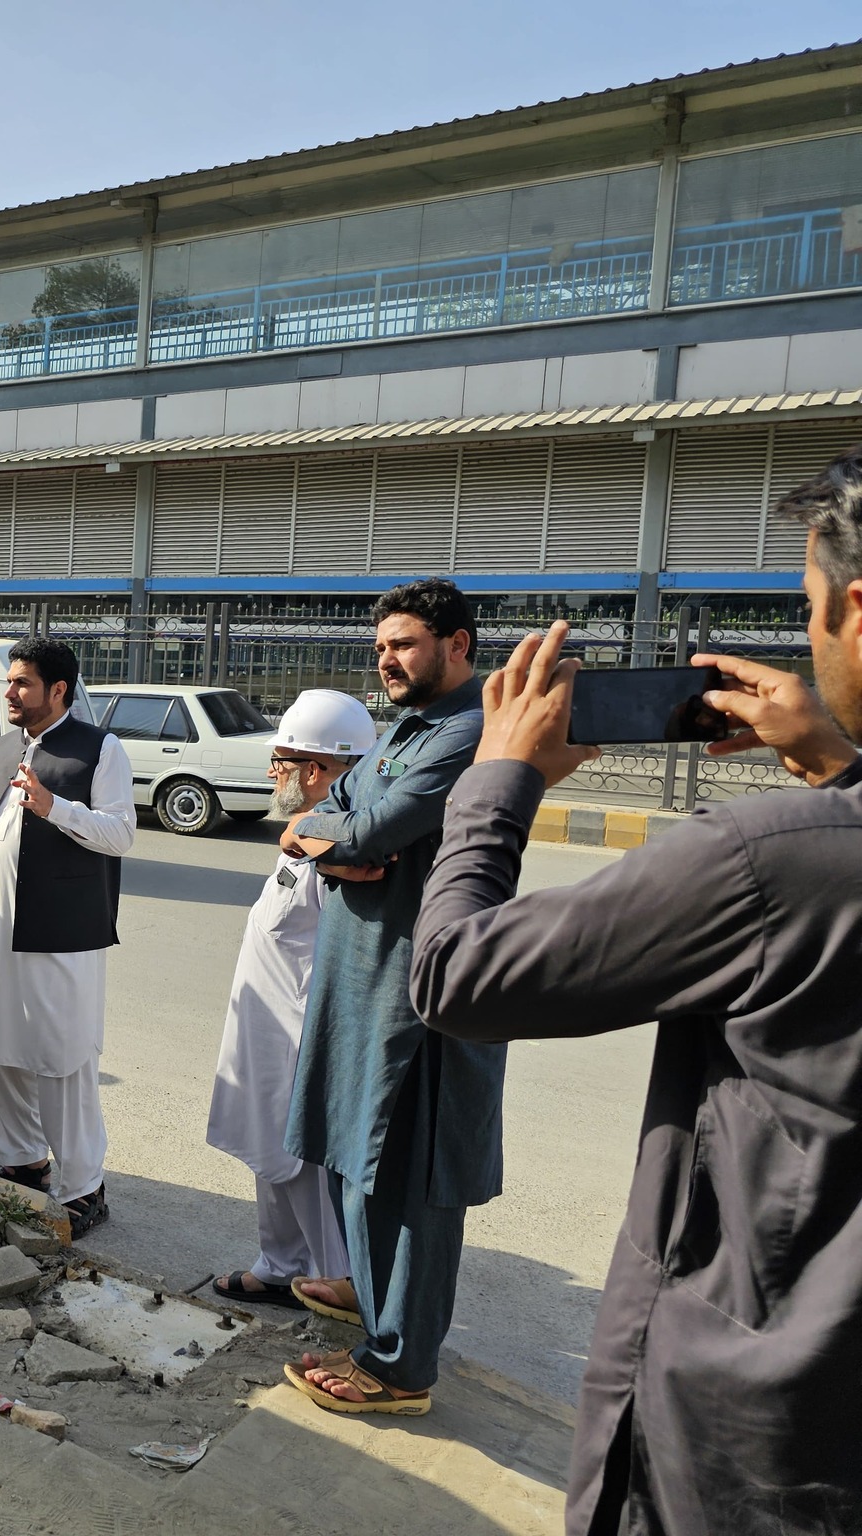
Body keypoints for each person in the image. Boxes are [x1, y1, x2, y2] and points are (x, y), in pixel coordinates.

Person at [410, 451, 862, 1533]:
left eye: (808, 610)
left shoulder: (774, 859)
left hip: (742, 1441)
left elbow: (454, 971)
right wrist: (841, 767)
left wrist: (498, 776)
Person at [280, 577, 490, 1416]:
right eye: (380, 649)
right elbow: (322, 811)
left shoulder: (468, 733)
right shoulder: (410, 729)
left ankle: (402, 1367)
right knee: (353, 1153)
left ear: (458, 645)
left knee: (409, 1174)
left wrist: (328, 836)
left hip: (419, 989)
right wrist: (320, 840)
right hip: (359, 977)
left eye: (403, 645)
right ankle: (376, 1299)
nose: (388, 661)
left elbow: (364, 826)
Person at [0, 637, 133, 1237]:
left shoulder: (99, 749)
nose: (9, 692)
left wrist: (57, 808)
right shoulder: (3, 749)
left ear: (58, 690)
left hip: (62, 934)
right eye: (9, 681)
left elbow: (121, 834)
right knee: (2, 1047)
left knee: (62, 1057)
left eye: (22, 683)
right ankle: (20, 1161)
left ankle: (84, 1187)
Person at [206, 689, 374, 1306]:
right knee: (267, 1154)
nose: (272, 772)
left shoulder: (345, 846)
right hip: (264, 1030)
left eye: (281, 760)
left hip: (302, 1036)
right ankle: (279, 1265)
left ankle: (338, 1287)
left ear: (315, 770)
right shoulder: (305, 834)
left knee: (307, 1167)